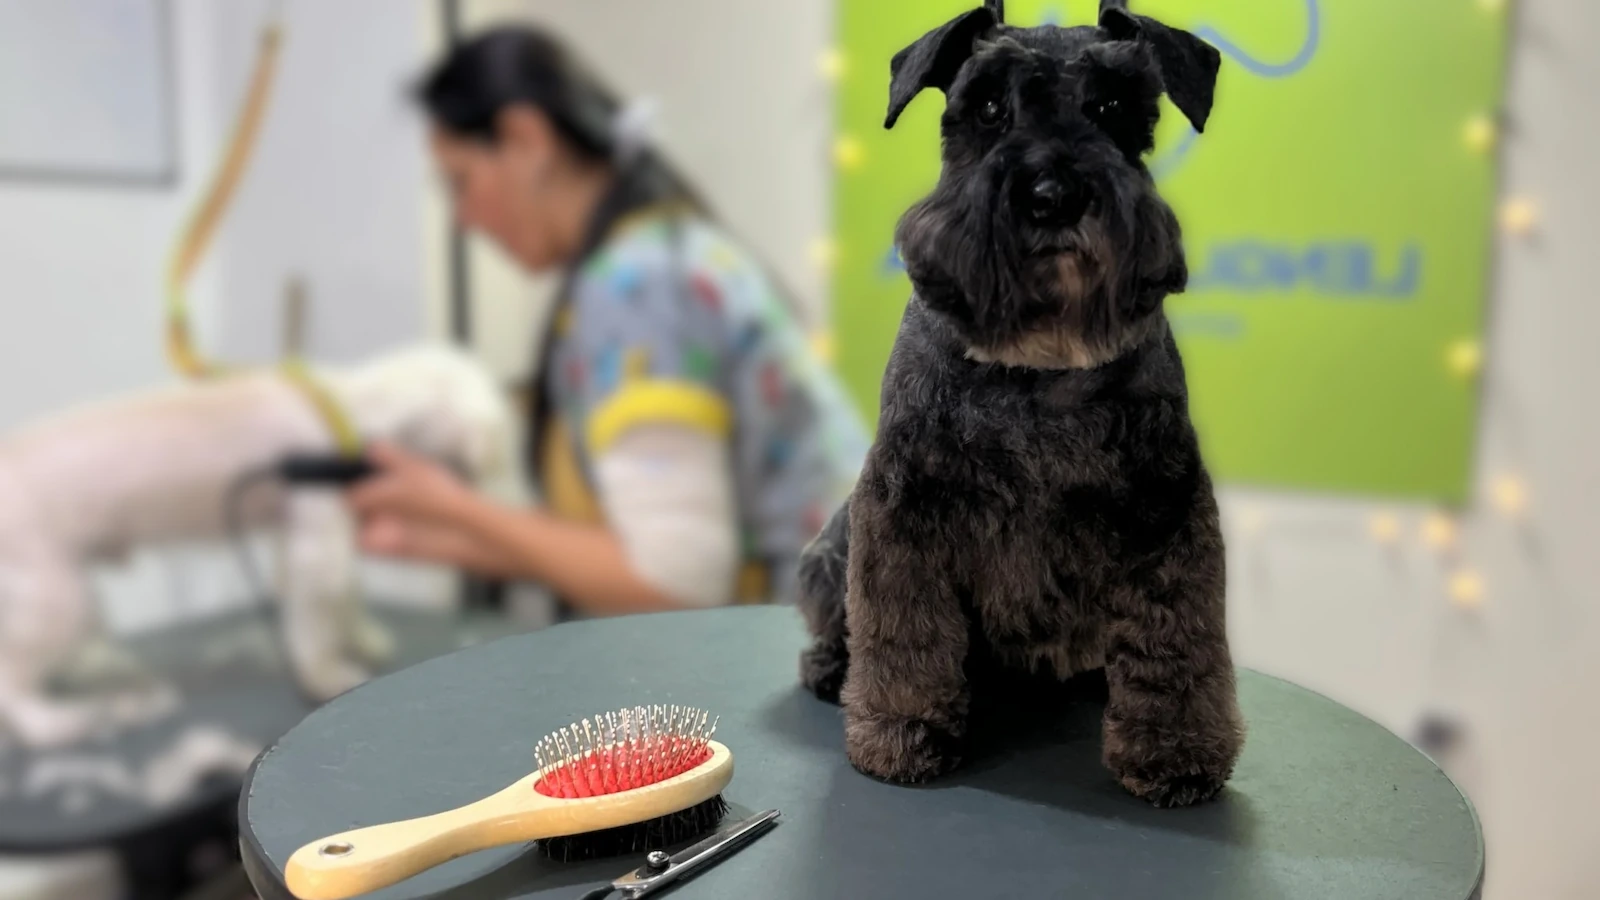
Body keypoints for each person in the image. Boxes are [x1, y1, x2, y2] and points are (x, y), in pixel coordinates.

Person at [347, 26, 868, 615]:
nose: (463, 220)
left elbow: (676, 581)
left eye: (461, 181)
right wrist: (443, 531)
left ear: (525, 139)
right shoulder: (659, 251)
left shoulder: (637, 284)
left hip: (819, 661)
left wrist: (461, 511)